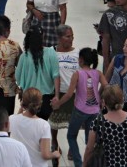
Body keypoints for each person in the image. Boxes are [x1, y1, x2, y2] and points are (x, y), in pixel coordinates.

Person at [52, 48, 108, 167]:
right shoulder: (98, 73)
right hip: (95, 111)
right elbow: (107, 88)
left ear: (81, 60)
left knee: (71, 136)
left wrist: (58, 103)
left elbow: (68, 94)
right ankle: (89, 163)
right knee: (90, 139)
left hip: (80, 110)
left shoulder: (77, 74)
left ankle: (78, 163)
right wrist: (101, 98)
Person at [15, 25, 59, 152]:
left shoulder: (25, 56)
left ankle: (31, 151)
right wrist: (56, 96)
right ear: (43, 37)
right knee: (42, 125)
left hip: (29, 98)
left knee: (29, 127)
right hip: (46, 99)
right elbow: (56, 75)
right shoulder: (51, 52)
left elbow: (18, 77)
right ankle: (43, 149)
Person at [9, 88, 61, 167]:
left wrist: (21, 108)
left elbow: (17, 118)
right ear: (40, 104)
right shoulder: (43, 125)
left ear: (23, 102)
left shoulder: (12, 119)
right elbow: (45, 155)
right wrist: (55, 154)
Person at [51, 25, 79, 159]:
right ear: (59, 38)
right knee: (53, 122)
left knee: (72, 123)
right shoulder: (52, 52)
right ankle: (54, 142)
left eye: (72, 36)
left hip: (73, 94)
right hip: (56, 93)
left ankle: (72, 147)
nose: (71, 39)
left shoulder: (77, 53)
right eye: (68, 36)